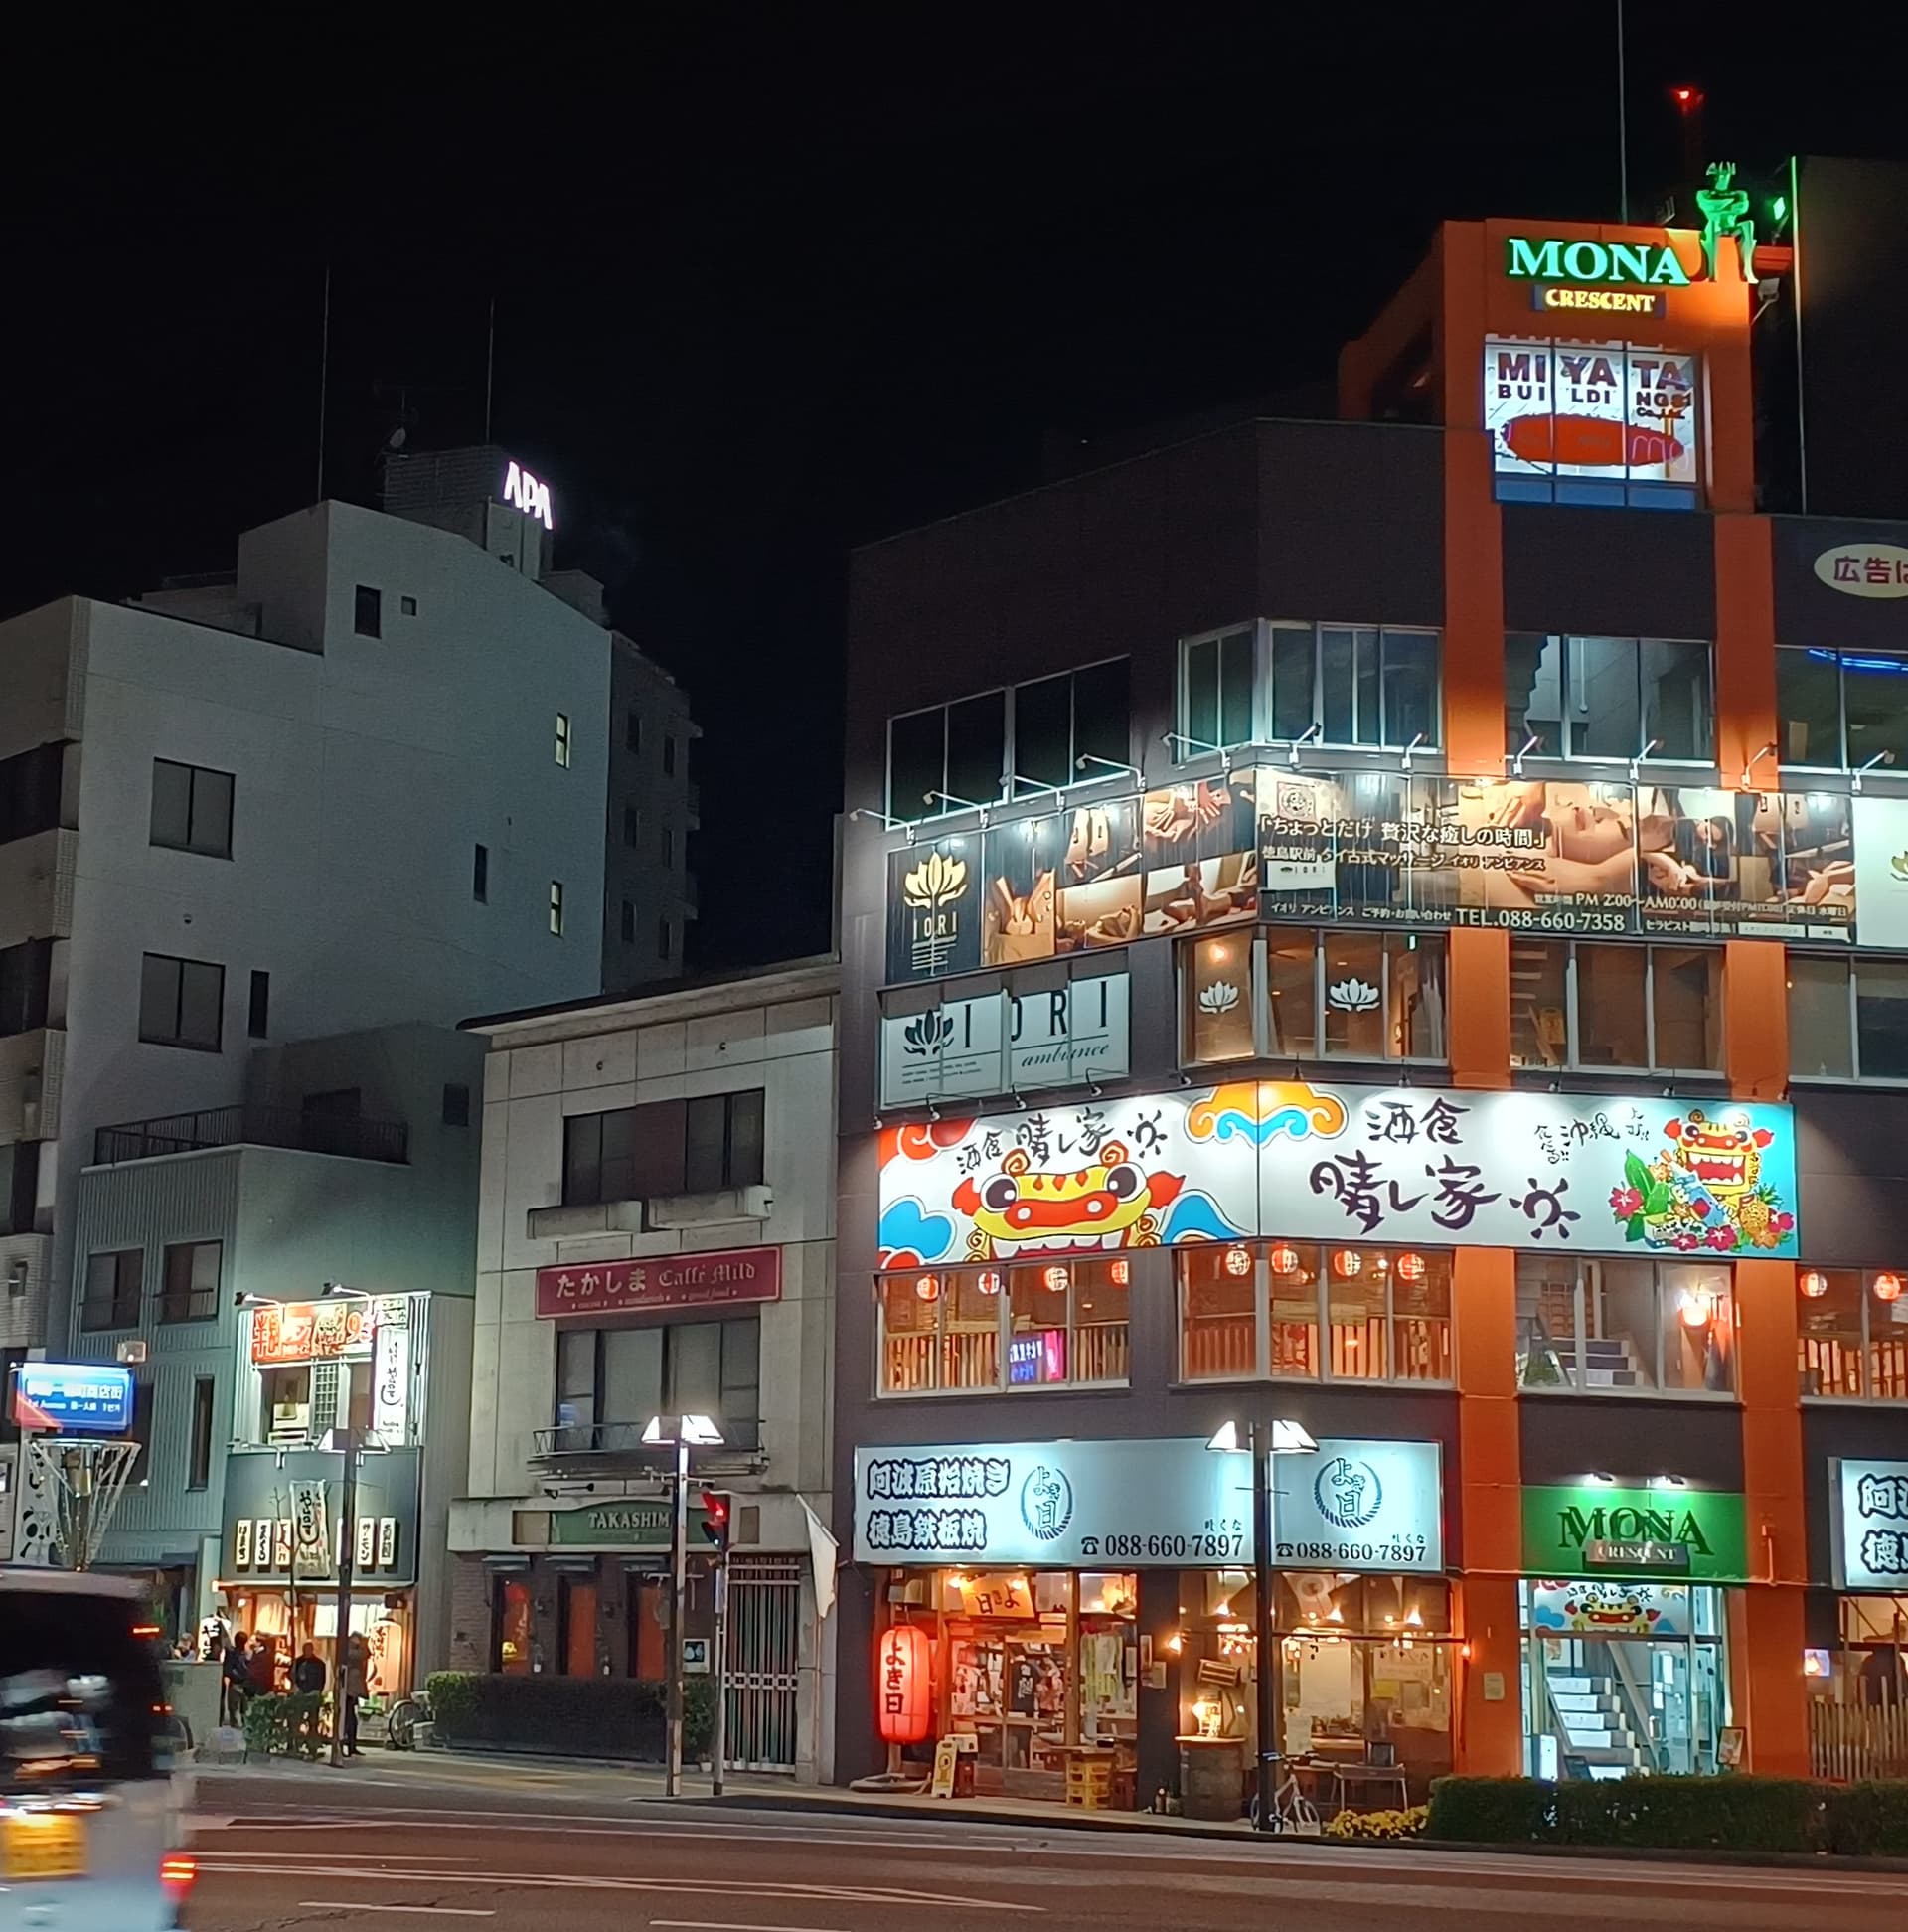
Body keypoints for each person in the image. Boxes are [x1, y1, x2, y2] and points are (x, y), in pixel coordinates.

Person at [291, 1641, 328, 1751]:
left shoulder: (319, 1663)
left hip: (313, 1693)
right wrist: (296, 1687)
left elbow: (322, 1679)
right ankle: (297, 1743)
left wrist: (317, 1691)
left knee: (313, 1721)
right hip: (301, 1692)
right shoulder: (298, 1661)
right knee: (297, 1718)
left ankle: (312, 1744)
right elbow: (293, 1675)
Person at [340, 1632, 369, 1757]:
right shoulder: (348, 1651)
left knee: (351, 1720)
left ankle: (351, 1746)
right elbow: (360, 1655)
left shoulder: (355, 1651)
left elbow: (366, 1654)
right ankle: (346, 1745)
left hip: (352, 1690)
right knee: (347, 1720)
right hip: (347, 1689)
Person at [221, 1631, 254, 1728]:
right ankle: (244, 1729)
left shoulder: (233, 1654)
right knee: (242, 1712)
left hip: (237, 1684)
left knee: (237, 1711)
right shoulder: (249, 1655)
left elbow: (227, 1670)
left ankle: (238, 1729)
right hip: (243, 1684)